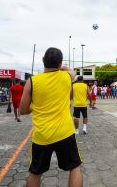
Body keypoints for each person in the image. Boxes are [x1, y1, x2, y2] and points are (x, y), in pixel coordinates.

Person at [19, 47, 82, 187]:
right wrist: (62, 66)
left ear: (43, 61)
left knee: (35, 172)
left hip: (42, 135)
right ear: (60, 64)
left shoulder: (32, 81)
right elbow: (72, 71)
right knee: (75, 168)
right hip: (64, 133)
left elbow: (22, 110)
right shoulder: (66, 77)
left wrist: (35, 107)